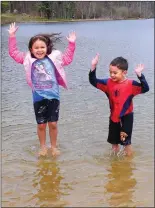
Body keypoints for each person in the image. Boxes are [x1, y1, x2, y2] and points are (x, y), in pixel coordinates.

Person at [8, 22, 76, 157]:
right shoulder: (27, 58)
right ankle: (43, 147)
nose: (39, 50)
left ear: (47, 47)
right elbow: (13, 53)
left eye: (42, 47)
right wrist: (12, 36)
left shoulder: (54, 57)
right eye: (36, 48)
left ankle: (54, 147)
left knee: (53, 124)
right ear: (31, 49)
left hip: (53, 96)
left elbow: (67, 59)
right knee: (41, 125)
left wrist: (72, 44)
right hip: (38, 97)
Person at [89, 54, 149, 156]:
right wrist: (93, 66)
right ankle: (115, 166)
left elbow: (145, 88)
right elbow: (93, 81)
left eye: (115, 73)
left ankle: (128, 164)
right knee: (114, 143)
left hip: (126, 118)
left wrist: (140, 75)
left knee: (126, 143)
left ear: (124, 72)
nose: (112, 75)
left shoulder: (131, 84)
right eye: (110, 72)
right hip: (113, 118)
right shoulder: (107, 83)